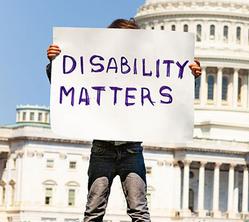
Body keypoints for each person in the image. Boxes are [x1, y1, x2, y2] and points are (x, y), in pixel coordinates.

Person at [45, 18, 202, 222]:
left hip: (131, 149)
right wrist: (55, 62)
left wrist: (190, 76)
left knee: (139, 211)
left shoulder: (144, 68)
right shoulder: (98, 66)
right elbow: (68, 83)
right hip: (102, 149)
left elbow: (171, 87)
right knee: (93, 210)